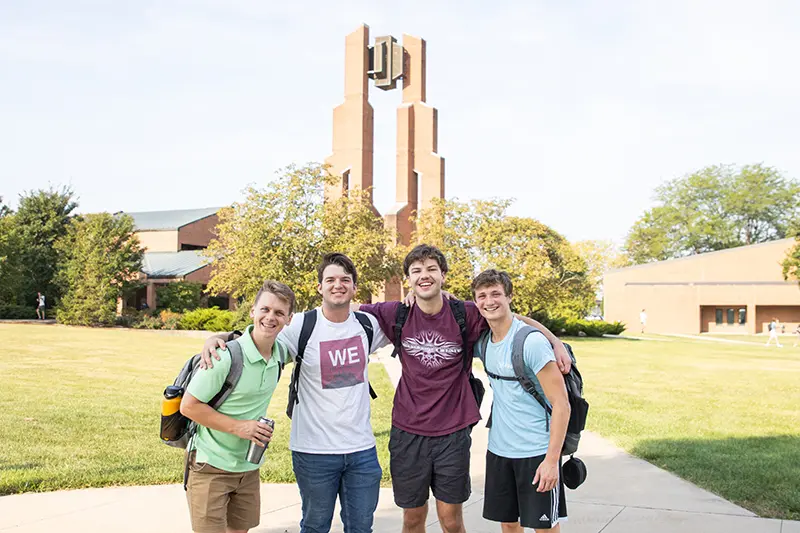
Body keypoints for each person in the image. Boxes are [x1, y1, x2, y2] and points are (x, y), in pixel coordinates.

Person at [357, 244, 572, 533]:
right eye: (416, 271)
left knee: (451, 520)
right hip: (408, 432)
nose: (424, 275)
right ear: (408, 278)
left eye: (431, 269)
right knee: (412, 520)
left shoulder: (465, 314)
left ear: (443, 275)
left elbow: (511, 317)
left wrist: (554, 341)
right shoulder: (396, 313)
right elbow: (348, 308)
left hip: (453, 434)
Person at [202, 253, 390, 533]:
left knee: (362, 527)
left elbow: (414, 319)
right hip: (313, 451)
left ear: (353, 288)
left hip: (361, 451)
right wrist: (219, 338)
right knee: (314, 526)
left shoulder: (367, 324)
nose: (337, 285)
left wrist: (439, 296)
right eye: (330, 280)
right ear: (320, 287)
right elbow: (257, 338)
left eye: (344, 280)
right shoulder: (301, 325)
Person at [180, 280, 295, 533]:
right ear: (252, 311)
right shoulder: (224, 357)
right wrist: (240, 428)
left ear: (289, 319)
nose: (270, 317)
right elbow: (188, 406)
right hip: (210, 465)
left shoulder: (280, 354)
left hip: (248, 468)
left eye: (279, 312)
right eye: (265, 309)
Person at [472, 269, 570, 532]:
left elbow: (562, 404)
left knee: (544, 527)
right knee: (508, 524)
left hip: (536, 452)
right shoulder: (483, 343)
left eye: (496, 294)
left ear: (509, 297)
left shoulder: (532, 343)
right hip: (499, 450)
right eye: (482, 296)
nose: (489, 301)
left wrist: (551, 461)